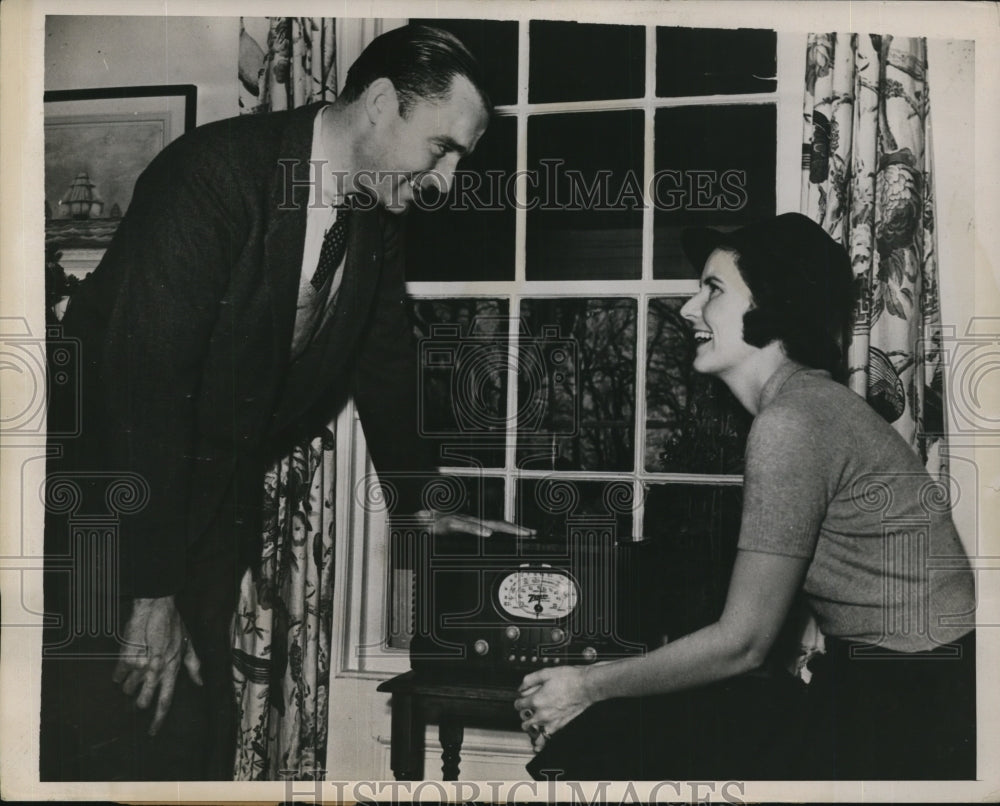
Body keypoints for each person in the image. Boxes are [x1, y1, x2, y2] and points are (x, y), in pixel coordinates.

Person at [41, 24, 529, 781]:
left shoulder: (374, 207)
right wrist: (150, 590)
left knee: (189, 740)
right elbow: (146, 388)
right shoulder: (211, 176)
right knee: (104, 734)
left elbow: (385, 354)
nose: (447, 180)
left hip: (206, 516)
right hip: (107, 517)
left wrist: (418, 501)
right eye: (442, 148)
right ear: (378, 104)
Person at [514, 213, 976, 781]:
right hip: (903, 687)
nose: (688, 309)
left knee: (597, 742)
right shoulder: (811, 405)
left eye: (712, 289)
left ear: (771, 305)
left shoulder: (792, 423)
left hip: (904, 708)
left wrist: (584, 685)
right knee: (615, 735)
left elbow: (744, 644)